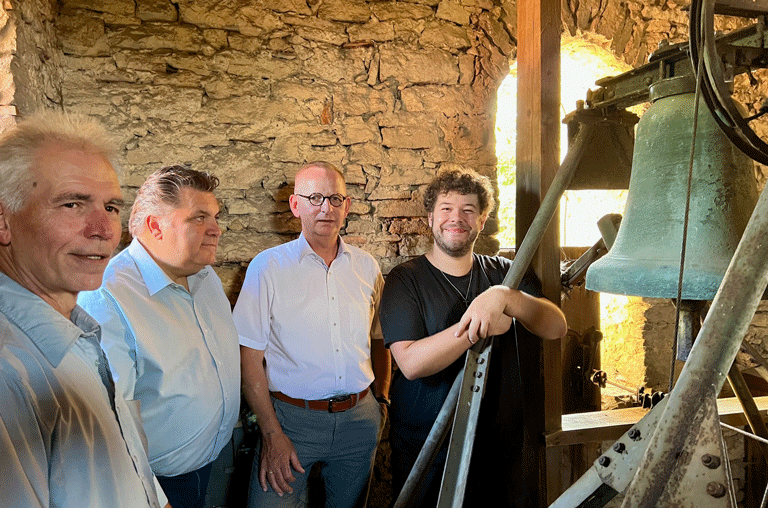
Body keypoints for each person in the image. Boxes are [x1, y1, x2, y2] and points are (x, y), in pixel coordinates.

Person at [0, 111, 169, 507]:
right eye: (73, 204)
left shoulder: (77, 331)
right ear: (3, 222)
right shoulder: (10, 371)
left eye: (111, 207)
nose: (103, 230)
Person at [380, 167, 568, 507]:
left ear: (482, 220)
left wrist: (507, 298)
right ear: (430, 217)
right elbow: (410, 363)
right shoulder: (404, 281)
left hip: (498, 445)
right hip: (428, 446)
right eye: (447, 209)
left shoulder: (503, 273)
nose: (457, 218)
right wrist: (474, 328)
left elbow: (556, 327)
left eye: (468, 210)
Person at [78, 165, 240, 508]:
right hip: (159, 486)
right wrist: (155, 498)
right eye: (199, 218)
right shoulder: (106, 296)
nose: (216, 229)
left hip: (216, 463)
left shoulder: (204, 276)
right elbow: (108, 421)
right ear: (154, 225)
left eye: (214, 216)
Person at [233, 161, 391, 508]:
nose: (326, 208)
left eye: (335, 198)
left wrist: (381, 402)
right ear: (295, 205)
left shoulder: (367, 266)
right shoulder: (268, 267)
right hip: (290, 422)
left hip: (359, 419)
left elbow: (379, 338)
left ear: (347, 206)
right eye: (315, 197)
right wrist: (272, 432)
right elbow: (248, 358)